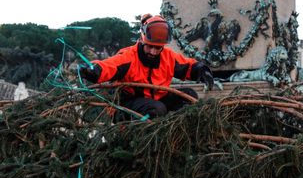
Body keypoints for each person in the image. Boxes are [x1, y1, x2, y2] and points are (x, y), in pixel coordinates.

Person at [79, 14, 215, 119]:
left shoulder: (168, 57)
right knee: (157, 108)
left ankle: (177, 133)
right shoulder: (129, 56)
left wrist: (202, 71)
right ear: (142, 39)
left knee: (189, 96)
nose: (153, 52)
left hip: (157, 100)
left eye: (158, 48)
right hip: (128, 105)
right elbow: (109, 66)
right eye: (150, 47)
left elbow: (188, 66)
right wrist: (93, 70)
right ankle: (143, 138)